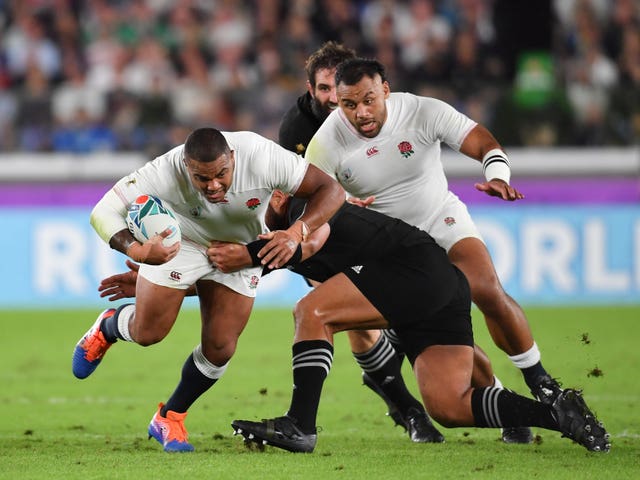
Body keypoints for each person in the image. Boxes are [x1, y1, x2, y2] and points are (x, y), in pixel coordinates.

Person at [98, 192, 610, 454]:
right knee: (449, 405)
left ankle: (300, 426)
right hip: (435, 284)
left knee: (313, 311)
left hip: (412, 268)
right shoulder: (268, 223)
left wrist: (257, 243)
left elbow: (309, 241)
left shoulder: (299, 208)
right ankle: (560, 415)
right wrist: (161, 287)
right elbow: (237, 274)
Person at [279, 42, 527, 444]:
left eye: (347, 92)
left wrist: (497, 170)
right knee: (349, 320)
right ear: (312, 91)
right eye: (326, 91)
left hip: (415, 235)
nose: (336, 100)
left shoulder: (405, 112)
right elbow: (302, 198)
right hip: (352, 238)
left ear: (377, 89)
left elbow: (468, 137)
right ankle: (407, 409)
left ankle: (515, 391)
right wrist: (332, 209)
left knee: (441, 319)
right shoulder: (300, 134)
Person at [304, 58, 572, 413]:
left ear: (385, 90)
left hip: (439, 219)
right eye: (350, 105)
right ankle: (498, 399)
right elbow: (313, 200)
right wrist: (341, 206)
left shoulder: (421, 111)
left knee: (486, 289)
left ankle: (541, 382)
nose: (361, 113)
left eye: (369, 100)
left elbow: (481, 140)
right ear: (338, 101)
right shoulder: (325, 143)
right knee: (442, 332)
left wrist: (499, 175)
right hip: (392, 249)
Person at [71, 127, 345, 452]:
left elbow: (331, 190)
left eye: (221, 174)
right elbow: (101, 212)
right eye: (202, 178)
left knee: (220, 347)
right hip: (183, 242)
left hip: (240, 247)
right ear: (186, 167)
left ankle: (169, 417)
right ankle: (108, 327)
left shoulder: (262, 156)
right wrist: (137, 252)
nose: (213, 185)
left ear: (232, 157)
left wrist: (296, 231)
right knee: (148, 332)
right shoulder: (164, 171)